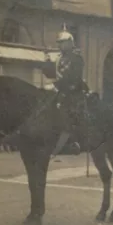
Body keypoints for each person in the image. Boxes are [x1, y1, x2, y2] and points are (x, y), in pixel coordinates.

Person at [42, 26, 87, 159]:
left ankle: (62, 147)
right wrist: (46, 63)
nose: (60, 46)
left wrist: (56, 86)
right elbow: (51, 74)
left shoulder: (77, 59)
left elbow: (73, 77)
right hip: (60, 91)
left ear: (69, 43)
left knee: (67, 118)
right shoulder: (58, 59)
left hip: (73, 91)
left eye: (62, 43)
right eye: (59, 43)